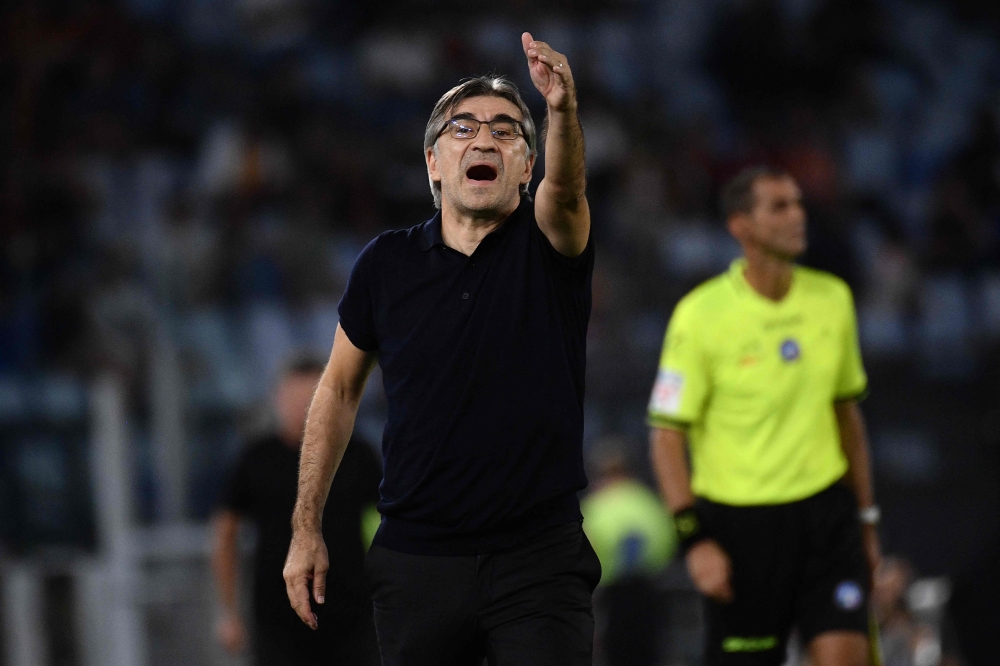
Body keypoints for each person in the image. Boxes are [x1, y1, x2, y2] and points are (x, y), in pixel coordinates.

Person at [282, 32, 601, 666]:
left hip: (538, 558)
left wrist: (560, 112)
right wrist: (305, 526)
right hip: (418, 560)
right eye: (463, 129)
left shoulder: (551, 243)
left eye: (508, 132)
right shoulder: (385, 264)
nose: (485, 140)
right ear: (433, 162)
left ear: (527, 167)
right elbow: (340, 390)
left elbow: (566, 194)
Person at [648, 166, 882, 666]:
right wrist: (696, 542)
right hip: (739, 531)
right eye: (779, 206)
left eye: (798, 203)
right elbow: (666, 435)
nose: (798, 215)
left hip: (825, 520)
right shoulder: (700, 315)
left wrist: (865, 521)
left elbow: (848, 420)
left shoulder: (833, 300)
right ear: (741, 226)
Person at [212, 354, 381, 666]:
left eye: (313, 398)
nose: (303, 408)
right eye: (294, 398)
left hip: (352, 614)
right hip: (277, 617)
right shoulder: (256, 458)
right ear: (277, 399)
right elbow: (225, 534)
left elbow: (385, 526)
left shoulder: (359, 455)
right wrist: (229, 612)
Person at [582, 441, 677, 666]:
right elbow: (667, 543)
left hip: (610, 596)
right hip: (651, 591)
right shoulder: (648, 502)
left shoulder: (596, 505)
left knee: (614, 654)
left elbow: (585, 548)